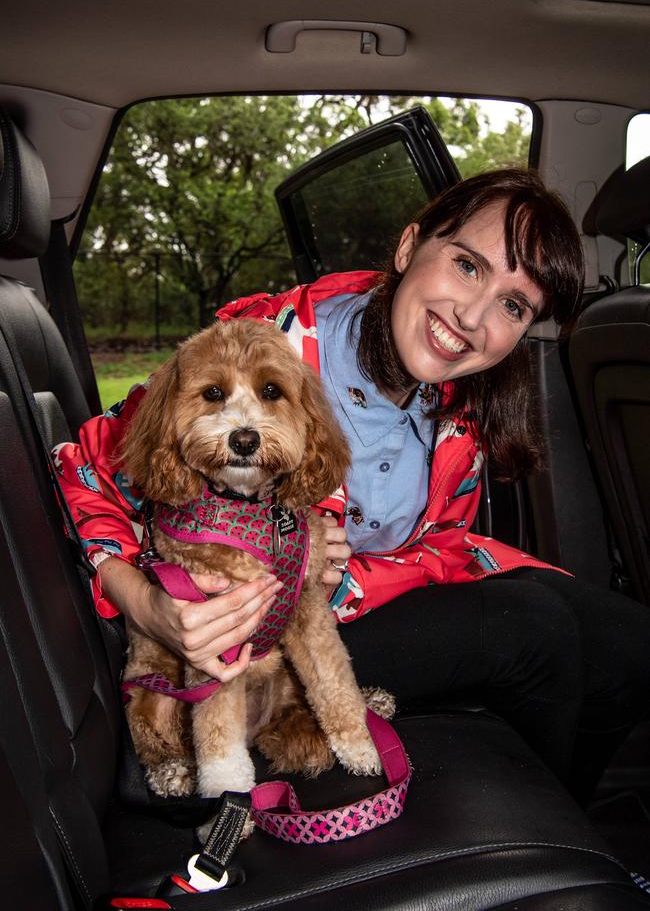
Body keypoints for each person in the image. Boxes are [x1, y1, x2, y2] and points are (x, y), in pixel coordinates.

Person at [56, 168, 650, 803]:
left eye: (513, 305)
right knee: (531, 627)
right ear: (408, 247)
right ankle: (560, 838)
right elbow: (82, 468)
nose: (473, 316)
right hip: (265, 641)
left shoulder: (458, 405)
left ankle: (597, 822)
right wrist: (149, 607)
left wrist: (358, 571)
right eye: (467, 266)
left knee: (631, 642)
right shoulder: (264, 349)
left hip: (360, 603)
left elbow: (442, 543)